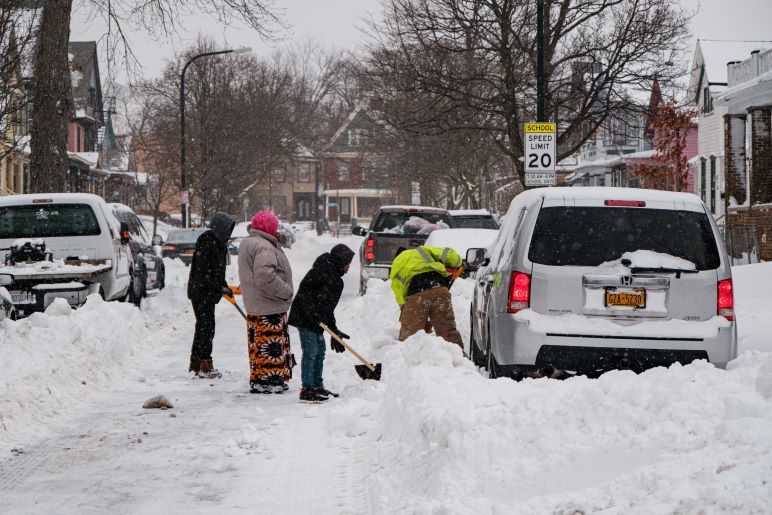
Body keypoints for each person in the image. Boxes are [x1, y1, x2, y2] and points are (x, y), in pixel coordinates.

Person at [288, 244, 355, 403]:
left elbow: (328, 308)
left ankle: (317, 386)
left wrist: (334, 330)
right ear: (340, 261)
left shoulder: (335, 278)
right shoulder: (321, 271)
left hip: (315, 318)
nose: (348, 269)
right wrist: (312, 313)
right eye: (347, 264)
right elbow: (304, 294)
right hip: (305, 317)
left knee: (320, 351)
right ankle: (307, 389)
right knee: (311, 352)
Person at [238, 211, 294, 394]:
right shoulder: (264, 246)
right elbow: (264, 276)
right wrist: (285, 291)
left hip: (256, 306)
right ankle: (271, 380)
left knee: (258, 345)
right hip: (269, 306)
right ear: (269, 227)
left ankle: (259, 378)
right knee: (271, 346)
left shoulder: (249, 243)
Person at [187, 212, 235, 378]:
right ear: (220, 228)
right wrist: (219, 288)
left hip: (206, 292)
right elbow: (204, 274)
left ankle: (196, 364)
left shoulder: (218, 244)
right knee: (206, 328)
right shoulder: (208, 244)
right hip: (201, 293)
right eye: (227, 230)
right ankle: (205, 366)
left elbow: (216, 274)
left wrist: (224, 286)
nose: (229, 234)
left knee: (203, 328)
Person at [389, 245, 465, 350]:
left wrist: (405, 308)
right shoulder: (422, 251)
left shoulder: (397, 263)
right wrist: (458, 262)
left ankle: (407, 363)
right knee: (447, 330)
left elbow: (398, 290)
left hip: (416, 295)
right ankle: (459, 361)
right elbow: (449, 254)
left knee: (410, 336)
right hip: (440, 290)